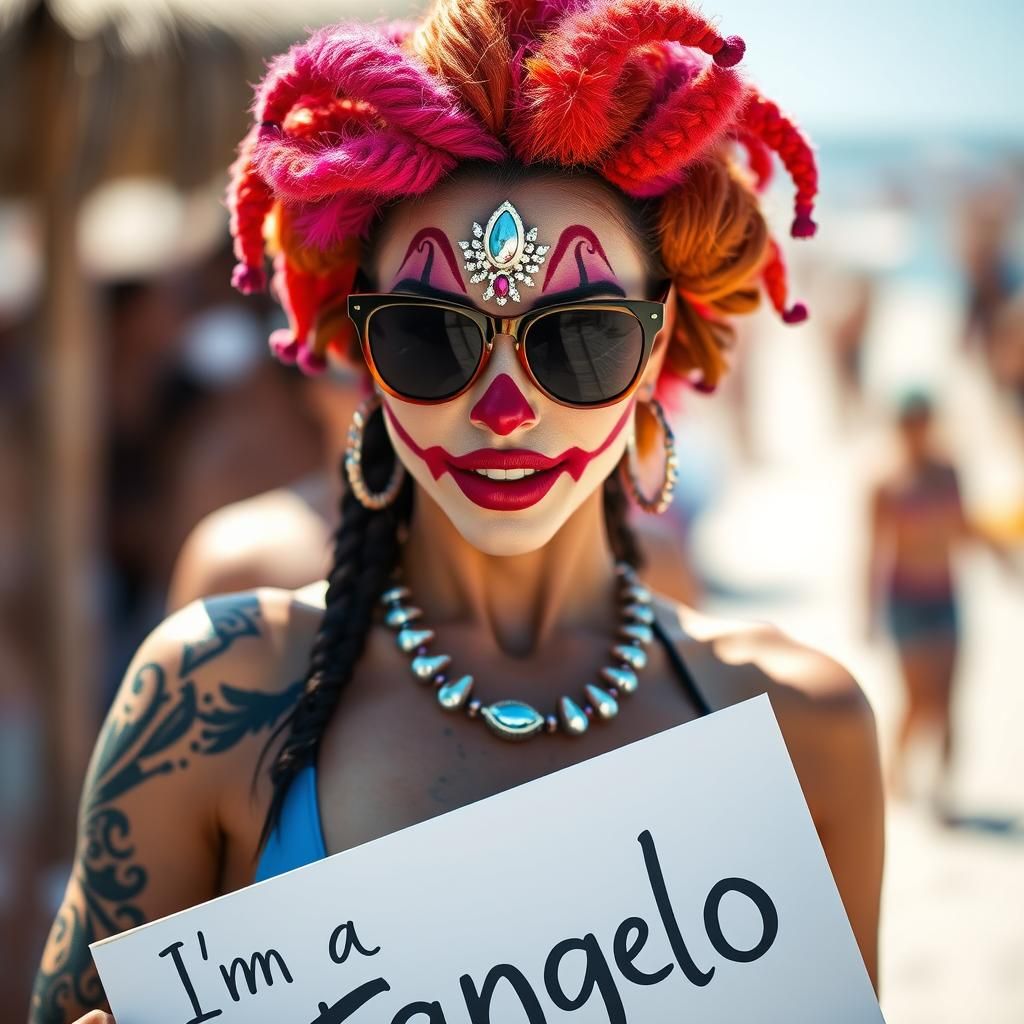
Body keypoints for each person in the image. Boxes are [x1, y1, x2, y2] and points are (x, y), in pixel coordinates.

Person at [30, 3, 884, 1021]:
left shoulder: (801, 729)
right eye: (431, 337)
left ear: (657, 346)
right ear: (363, 352)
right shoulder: (210, 696)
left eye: (579, 339)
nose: (504, 408)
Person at [866, 390, 1020, 807]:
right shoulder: (885, 484)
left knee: (949, 697)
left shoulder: (949, 472)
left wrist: (1000, 555)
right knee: (918, 700)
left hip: (945, 595)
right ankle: (896, 767)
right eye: (909, 424)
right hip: (905, 601)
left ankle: (943, 788)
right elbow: (873, 552)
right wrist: (868, 611)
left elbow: (962, 524)